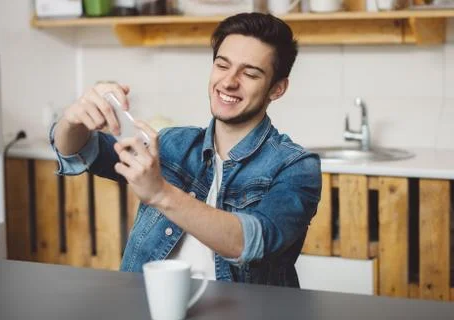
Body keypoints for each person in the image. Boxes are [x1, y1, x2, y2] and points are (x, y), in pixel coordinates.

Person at [50, 12, 322, 287]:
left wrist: (160, 193)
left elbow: (251, 242)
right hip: (150, 306)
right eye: (222, 65)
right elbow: (83, 151)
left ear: (277, 89)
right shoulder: (171, 144)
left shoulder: (296, 166)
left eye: (250, 73)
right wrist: (73, 121)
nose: (229, 81)